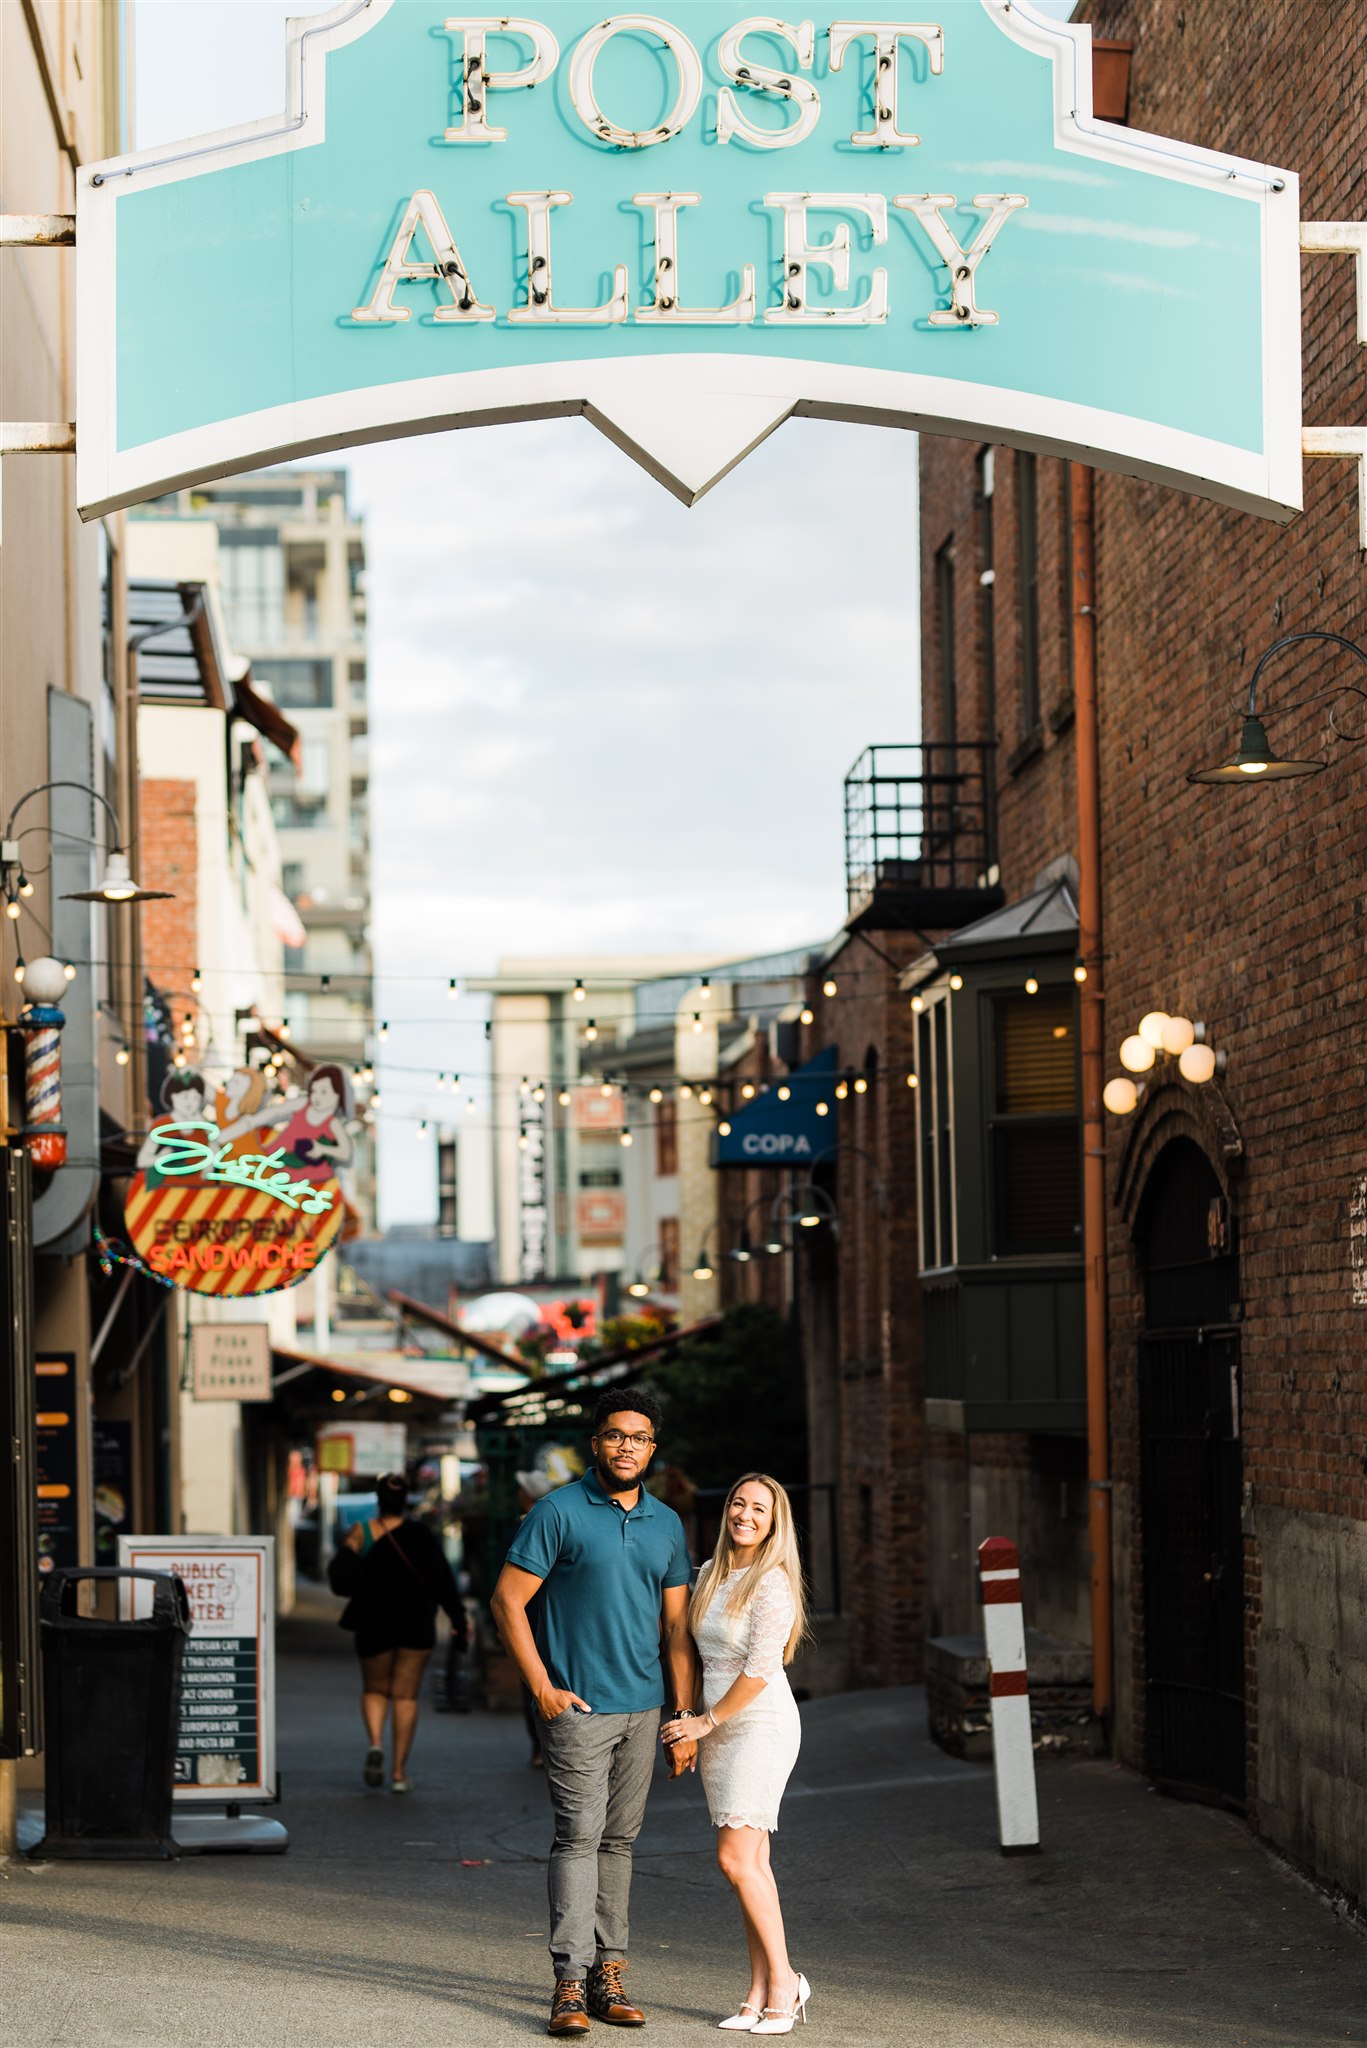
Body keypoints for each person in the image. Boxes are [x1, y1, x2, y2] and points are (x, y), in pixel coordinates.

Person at [491, 1390, 696, 2037]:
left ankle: (609, 1973)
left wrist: (683, 1715)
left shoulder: (665, 1523)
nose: (626, 1447)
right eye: (614, 1436)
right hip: (578, 1709)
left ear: (652, 1450)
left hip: (643, 1707)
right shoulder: (557, 1512)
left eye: (637, 1437)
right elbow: (506, 1600)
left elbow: (678, 1629)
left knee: (619, 1842)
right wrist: (543, 1689)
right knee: (578, 1838)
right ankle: (570, 1984)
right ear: (596, 1444)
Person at [661, 1474, 811, 2036]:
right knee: (751, 1866)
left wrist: (705, 1721)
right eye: (738, 1504)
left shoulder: (772, 1583)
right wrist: (693, 1722)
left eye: (759, 1509)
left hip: (759, 1726)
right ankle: (757, 1990)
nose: (745, 1515)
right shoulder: (711, 1574)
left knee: (735, 1861)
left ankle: (787, 1983)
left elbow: (760, 1669)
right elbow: (688, 1649)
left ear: (775, 1523)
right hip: (718, 1728)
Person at [327, 1472, 467, 1793]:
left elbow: (339, 1581)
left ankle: (376, 1743)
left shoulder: (361, 1533)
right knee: (405, 1696)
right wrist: (458, 1620)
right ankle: (399, 1772)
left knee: (375, 1690)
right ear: (406, 1501)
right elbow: (443, 1581)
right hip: (416, 1623)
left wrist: (355, 1558)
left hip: (372, 1622)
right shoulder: (421, 1535)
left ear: (378, 1500)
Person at [221, 1063, 353, 1182]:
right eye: (314, 1091)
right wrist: (253, 1121)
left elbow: (345, 1152)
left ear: (337, 1094)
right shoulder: (303, 1105)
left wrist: (322, 1149)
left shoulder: (332, 1123)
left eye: (324, 1092)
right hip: (276, 1159)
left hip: (306, 1174)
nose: (317, 1096)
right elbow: (275, 1112)